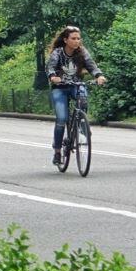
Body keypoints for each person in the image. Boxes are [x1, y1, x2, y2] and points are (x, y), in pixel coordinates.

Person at [47, 26, 107, 167]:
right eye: (73, 38)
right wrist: (53, 77)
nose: (76, 41)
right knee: (62, 118)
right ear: (65, 40)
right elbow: (50, 67)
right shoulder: (57, 53)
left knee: (83, 98)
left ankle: (81, 123)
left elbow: (91, 65)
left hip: (76, 85)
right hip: (60, 88)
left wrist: (99, 76)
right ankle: (57, 151)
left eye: (78, 38)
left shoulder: (82, 52)